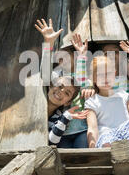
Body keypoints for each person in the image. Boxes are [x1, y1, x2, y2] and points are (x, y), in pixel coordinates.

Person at [35, 18, 94, 147]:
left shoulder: (59, 115)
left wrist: (82, 56)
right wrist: (48, 43)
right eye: (60, 57)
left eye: (67, 55)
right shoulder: (56, 76)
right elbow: (45, 72)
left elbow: (82, 80)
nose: (60, 91)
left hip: (77, 129)